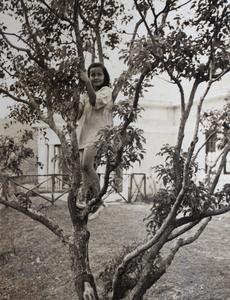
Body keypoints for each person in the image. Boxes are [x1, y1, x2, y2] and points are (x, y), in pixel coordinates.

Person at [76, 62, 113, 218]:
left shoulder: (107, 91)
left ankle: (99, 201)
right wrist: (75, 101)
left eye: (99, 74)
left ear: (104, 77)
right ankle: (86, 198)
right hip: (84, 134)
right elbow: (78, 114)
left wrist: (86, 81)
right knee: (84, 169)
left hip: (98, 135)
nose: (96, 77)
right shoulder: (84, 94)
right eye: (92, 75)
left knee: (86, 165)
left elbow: (94, 101)